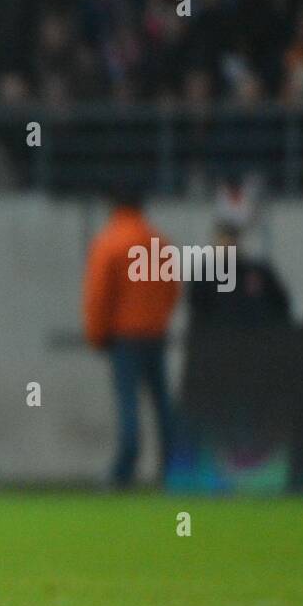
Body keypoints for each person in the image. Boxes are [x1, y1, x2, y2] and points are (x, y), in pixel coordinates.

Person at [83, 188, 179, 488]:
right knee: (163, 404)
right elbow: (172, 289)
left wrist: (97, 334)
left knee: (129, 405)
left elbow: (98, 294)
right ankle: (174, 467)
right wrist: (158, 319)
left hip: (124, 337)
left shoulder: (110, 242)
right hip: (155, 334)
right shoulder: (159, 242)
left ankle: (125, 470)